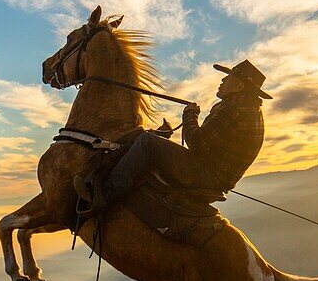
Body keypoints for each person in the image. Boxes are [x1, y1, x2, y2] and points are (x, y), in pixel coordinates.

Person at [74, 59, 270, 216]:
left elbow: (197, 144)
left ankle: (104, 196)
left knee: (146, 142)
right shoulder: (247, 110)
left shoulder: (234, 111)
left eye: (227, 78)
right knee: (148, 139)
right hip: (214, 176)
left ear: (238, 85)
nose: (222, 81)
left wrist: (190, 115)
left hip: (205, 175)